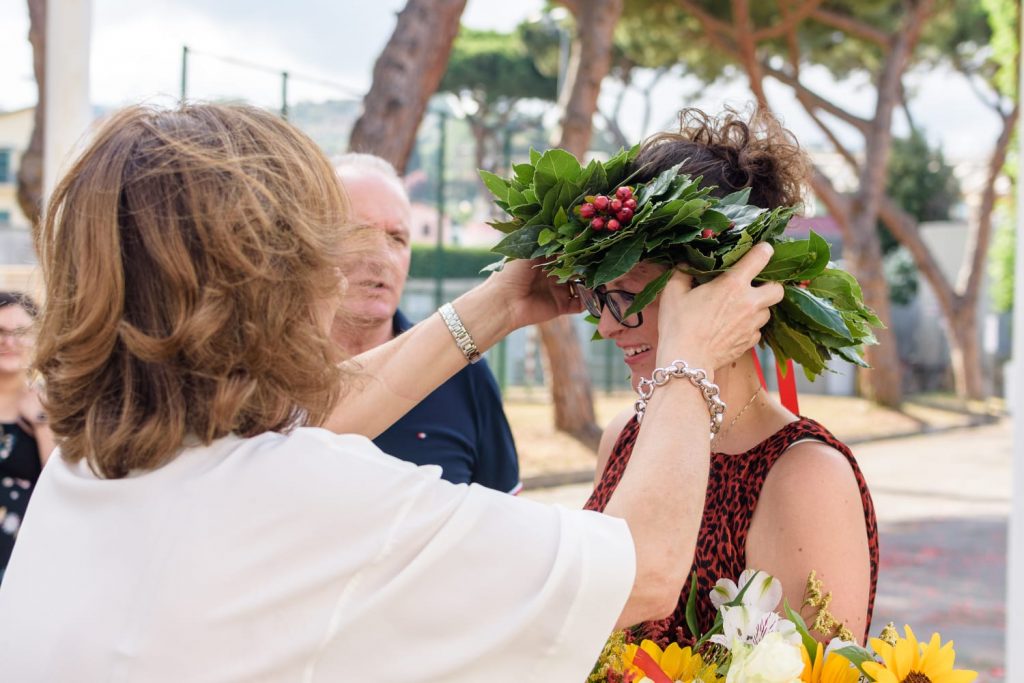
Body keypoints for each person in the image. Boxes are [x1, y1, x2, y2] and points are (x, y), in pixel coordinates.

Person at [0, 103, 781, 682]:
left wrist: (502, 303)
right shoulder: (317, 499)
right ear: (273, 278)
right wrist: (692, 356)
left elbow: (295, 425)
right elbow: (640, 570)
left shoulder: (87, 468)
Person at [583, 108, 879, 646]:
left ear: (723, 287)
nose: (605, 325)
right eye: (600, 296)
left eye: (628, 296)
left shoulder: (804, 477)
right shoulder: (625, 435)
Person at [332, 154, 521, 493]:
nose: (382, 257)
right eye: (357, 233)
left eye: (397, 238)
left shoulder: (460, 370)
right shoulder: (263, 379)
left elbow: (508, 514)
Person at [0, 292, 54, 582]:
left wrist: (41, 421)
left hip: (24, 564)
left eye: (20, 332)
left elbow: (57, 483)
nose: (10, 342)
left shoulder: (53, 407)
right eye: (0, 332)